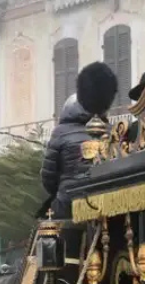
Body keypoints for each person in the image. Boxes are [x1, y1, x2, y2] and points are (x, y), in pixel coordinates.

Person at [39, 62, 118, 219]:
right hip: (108, 206)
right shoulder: (113, 132)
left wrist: (63, 189)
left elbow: (48, 178)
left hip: (67, 205)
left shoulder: (60, 133)